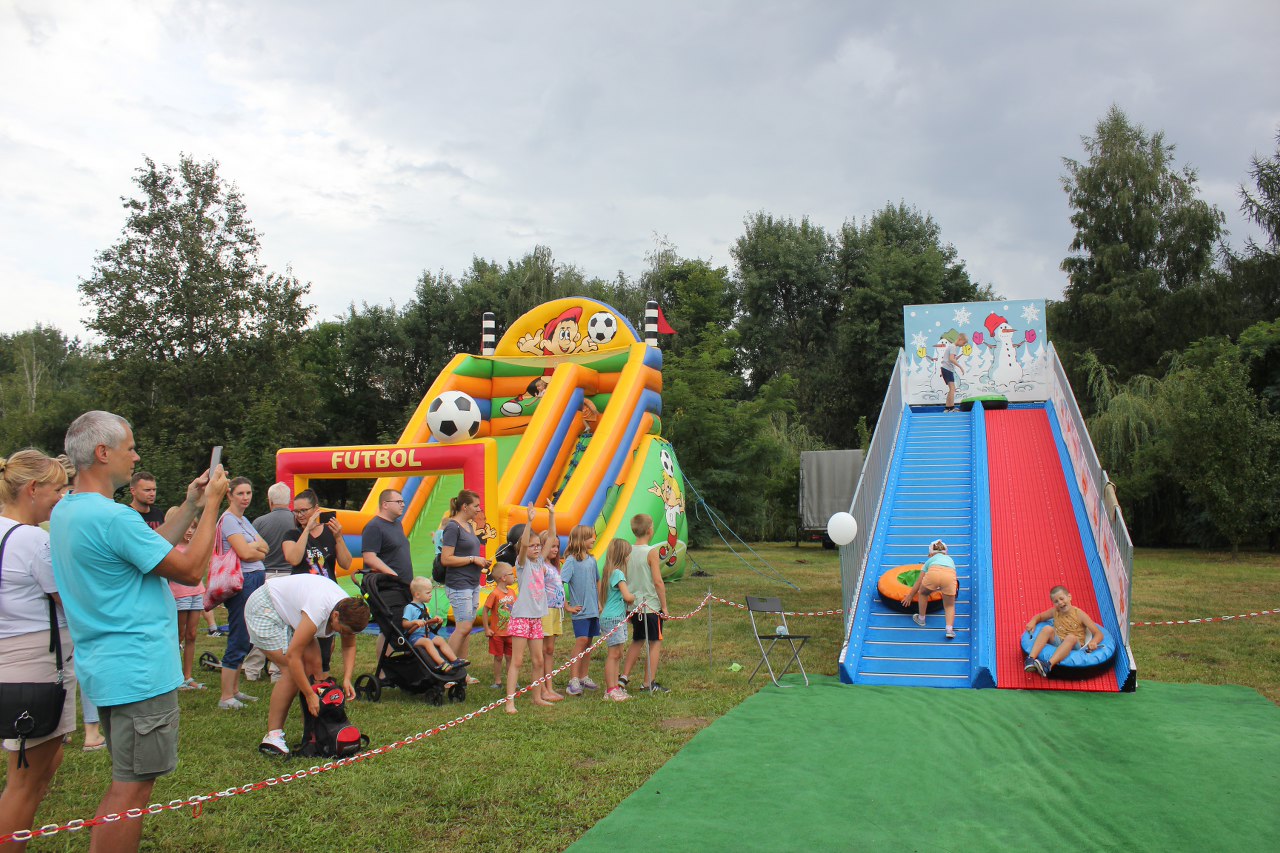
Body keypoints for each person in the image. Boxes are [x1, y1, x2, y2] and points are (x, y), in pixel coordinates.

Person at [50, 410, 227, 853]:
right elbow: (188, 569)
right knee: (131, 791)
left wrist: (188, 503)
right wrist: (210, 509)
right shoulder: (112, 517)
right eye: (129, 447)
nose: (136, 456)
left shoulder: (71, 509)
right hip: (139, 671)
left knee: (127, 783)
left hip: (109, 668)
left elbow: (150, 548)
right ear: (103, 452)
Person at [0, 449, 73, 849]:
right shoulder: (31, 539)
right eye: (58, 489)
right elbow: (69, 598)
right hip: (38, 663)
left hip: (11, 656)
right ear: (32, 489)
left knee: (36, 772)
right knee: (23, 785)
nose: (61, 498)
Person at [246, 574, 370, 756]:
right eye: (342, 630)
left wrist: (347, 678)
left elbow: (349, 644)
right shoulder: (319, 608)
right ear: (335, 616)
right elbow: (293, 657)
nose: (343, 634)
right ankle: (272, 737)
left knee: (315, 667)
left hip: (290, 611)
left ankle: (314, 731)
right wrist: (309, 694)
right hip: (265, 608)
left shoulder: (348, 612)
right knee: (291, 672)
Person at [283, 489, 352, 675]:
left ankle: (322, 678)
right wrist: (306, 530)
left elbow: (346, 564)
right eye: (296, 512)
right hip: (302, 599)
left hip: (327, 599)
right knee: (303, 644)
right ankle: (305, 678)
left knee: (324, 647)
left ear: (316, 509)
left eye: (303, 511)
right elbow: (294, 559)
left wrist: (338, 537)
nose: (299, 515)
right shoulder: (292, 534)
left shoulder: (330, 533)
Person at [217, 477, 269, 710]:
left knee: (248, 636)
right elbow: (245, 553)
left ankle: (234, 690)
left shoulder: (244, 520)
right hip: (242, 581)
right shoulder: (228, 520)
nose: (245, 497)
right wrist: (254, 550)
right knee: (239, 635)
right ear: (230, 495)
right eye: (240, 493)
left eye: (248, 493)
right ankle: (226, 696)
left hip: (254, 579)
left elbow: (264, 547)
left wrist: (254, 549)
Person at [505, 501, 559, 714]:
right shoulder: (522, 564)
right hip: (521, 618)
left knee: (538, 660)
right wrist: (528, 521)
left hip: (536, 618)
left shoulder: (540, 563)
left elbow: (552, 534)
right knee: (517, 661)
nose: (537, 548)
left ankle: (537, 697)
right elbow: (525, 544)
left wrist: (552, 514)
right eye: (533, 545)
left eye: (539, 545)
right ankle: (510, 701)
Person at [245, 483, 296, 681]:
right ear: (289, 500)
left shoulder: (259, 522)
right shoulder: (296, 521)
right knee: (285, 625)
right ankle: (277, 670)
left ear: (270, 500)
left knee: (261, 623)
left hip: (265, 575)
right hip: (290, 577)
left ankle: (252, 668)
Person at [438, 489, 486, 676]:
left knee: (465, 628)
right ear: (464, 507)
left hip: (472, 583)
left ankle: (461, 673)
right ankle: (444, 668)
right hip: (459, 584)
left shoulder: (469, 526)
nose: (479, 509)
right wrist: (473, 559)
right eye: (475, 506)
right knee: (464, 627)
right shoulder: (453, 527)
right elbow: (446, 559)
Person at [620, 514, 669, 694]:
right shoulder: (651, 552)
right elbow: (658, 581)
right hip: (650, 606)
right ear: (650, 530)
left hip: (633, 607)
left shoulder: (627, 552)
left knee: (637, 640)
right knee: (654, 642)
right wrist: (664, 607)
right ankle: (649, 682)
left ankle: (623, 676)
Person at [1024, 586, 1106, 676]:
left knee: (1070, 637)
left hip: (1074, 643)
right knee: (1047, 629)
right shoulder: (1055, 611)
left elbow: (1098, 633)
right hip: (1059, 640)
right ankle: (1030, 659)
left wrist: (1094, 642)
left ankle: (1048, 665)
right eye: (1056, 601)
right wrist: (1033, 621)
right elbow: (1040, 616)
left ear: (1069, 597)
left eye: (1062, 599)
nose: (1060, 603)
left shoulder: (1080, 614)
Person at [165, 512, 206, 691]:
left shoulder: (193, 547)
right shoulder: (171, 548)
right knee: (178, 635)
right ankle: (173, 677)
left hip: (196, 592)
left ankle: (187, 676)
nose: (190, 531)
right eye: (187, 527)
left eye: (193, 527)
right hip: (179, 595)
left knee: (192, 635)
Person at [560, 524, 601, 695]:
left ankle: (584, 676)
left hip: (593, 610)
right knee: (581, 641)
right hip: (580, 611)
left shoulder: (592, 560)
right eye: (590, 536)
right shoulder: (571, 561)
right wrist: (566, 605)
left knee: (589, 643)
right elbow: (561, 583)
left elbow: (597, 580)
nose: (593, 539)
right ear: (580, 539)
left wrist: (599, 602)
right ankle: (573, 680)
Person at [597, 538, 635, 702]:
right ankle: (611, 689)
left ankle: (615, 688)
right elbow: (627, 596)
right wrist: (634, 596)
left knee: (618, 653)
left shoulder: (608, 571)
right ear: (623, 555)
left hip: (614, 617)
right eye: (628, 555)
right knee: (613, 655)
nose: (629, 558)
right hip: (613, 619)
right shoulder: (618, 573)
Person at [402, 577, 467, 672]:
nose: (431, 595)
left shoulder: (424, 607)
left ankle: (454, 660)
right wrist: (414, 622)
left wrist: (436, 620)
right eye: (428, 593)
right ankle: (442, 663)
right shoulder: (409, 608)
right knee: (427, 642)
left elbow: (429, 622)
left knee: (440, 639)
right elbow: (404, 623)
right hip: (414, 637)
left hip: (426, 634)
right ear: (417, 594)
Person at [902, 539, 958, 639]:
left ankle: (921, 619)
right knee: (949, 605)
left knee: (923, 593)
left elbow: (919, 581)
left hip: (933, 574)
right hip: (949, 576)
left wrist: (910, 596)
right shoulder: (950, 560)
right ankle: (949, 629)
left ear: (930, 554)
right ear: (946, 552)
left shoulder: (929, 561)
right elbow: (948, 576)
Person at [360, 489, 414, 586]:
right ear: (385, 505)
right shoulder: (374, 527)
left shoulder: (397, 524)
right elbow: (369, 558)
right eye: (399, 502)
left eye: (403, 502)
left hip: (403, 586)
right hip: (388, 587)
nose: (403, 505)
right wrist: (393, 575)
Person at [480, 562, 516, 689]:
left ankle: (512, 679)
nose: (514, 576)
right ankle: (498, 681)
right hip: (497, 633)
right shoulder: (494, 594)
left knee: (510, 657)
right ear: (504, 577)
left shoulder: (512, 592)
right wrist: (487, 628)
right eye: (512, 574)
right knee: (499, 657)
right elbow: (485, 611)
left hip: (510, 632)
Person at [540, 529, 566, 692]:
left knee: (550, 650)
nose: (555, 550)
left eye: (557, 546)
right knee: (543, 649)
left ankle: (549, 684)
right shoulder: (541, 566)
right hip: (545, 611)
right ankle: (541, 685)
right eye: (552, 546)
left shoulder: (555, 566)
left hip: (556, 611)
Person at [942, 333, 968, 413]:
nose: (963, 345)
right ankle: (951, 408)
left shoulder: (952, 347)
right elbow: (951, 359)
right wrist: (960, 367)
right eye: (963, 343)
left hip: (946, 369)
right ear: (960, 339)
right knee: (952, 389)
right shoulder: (953, 347)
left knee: (951, 389)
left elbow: (950, 358)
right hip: (947, 369)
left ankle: (947, 408)